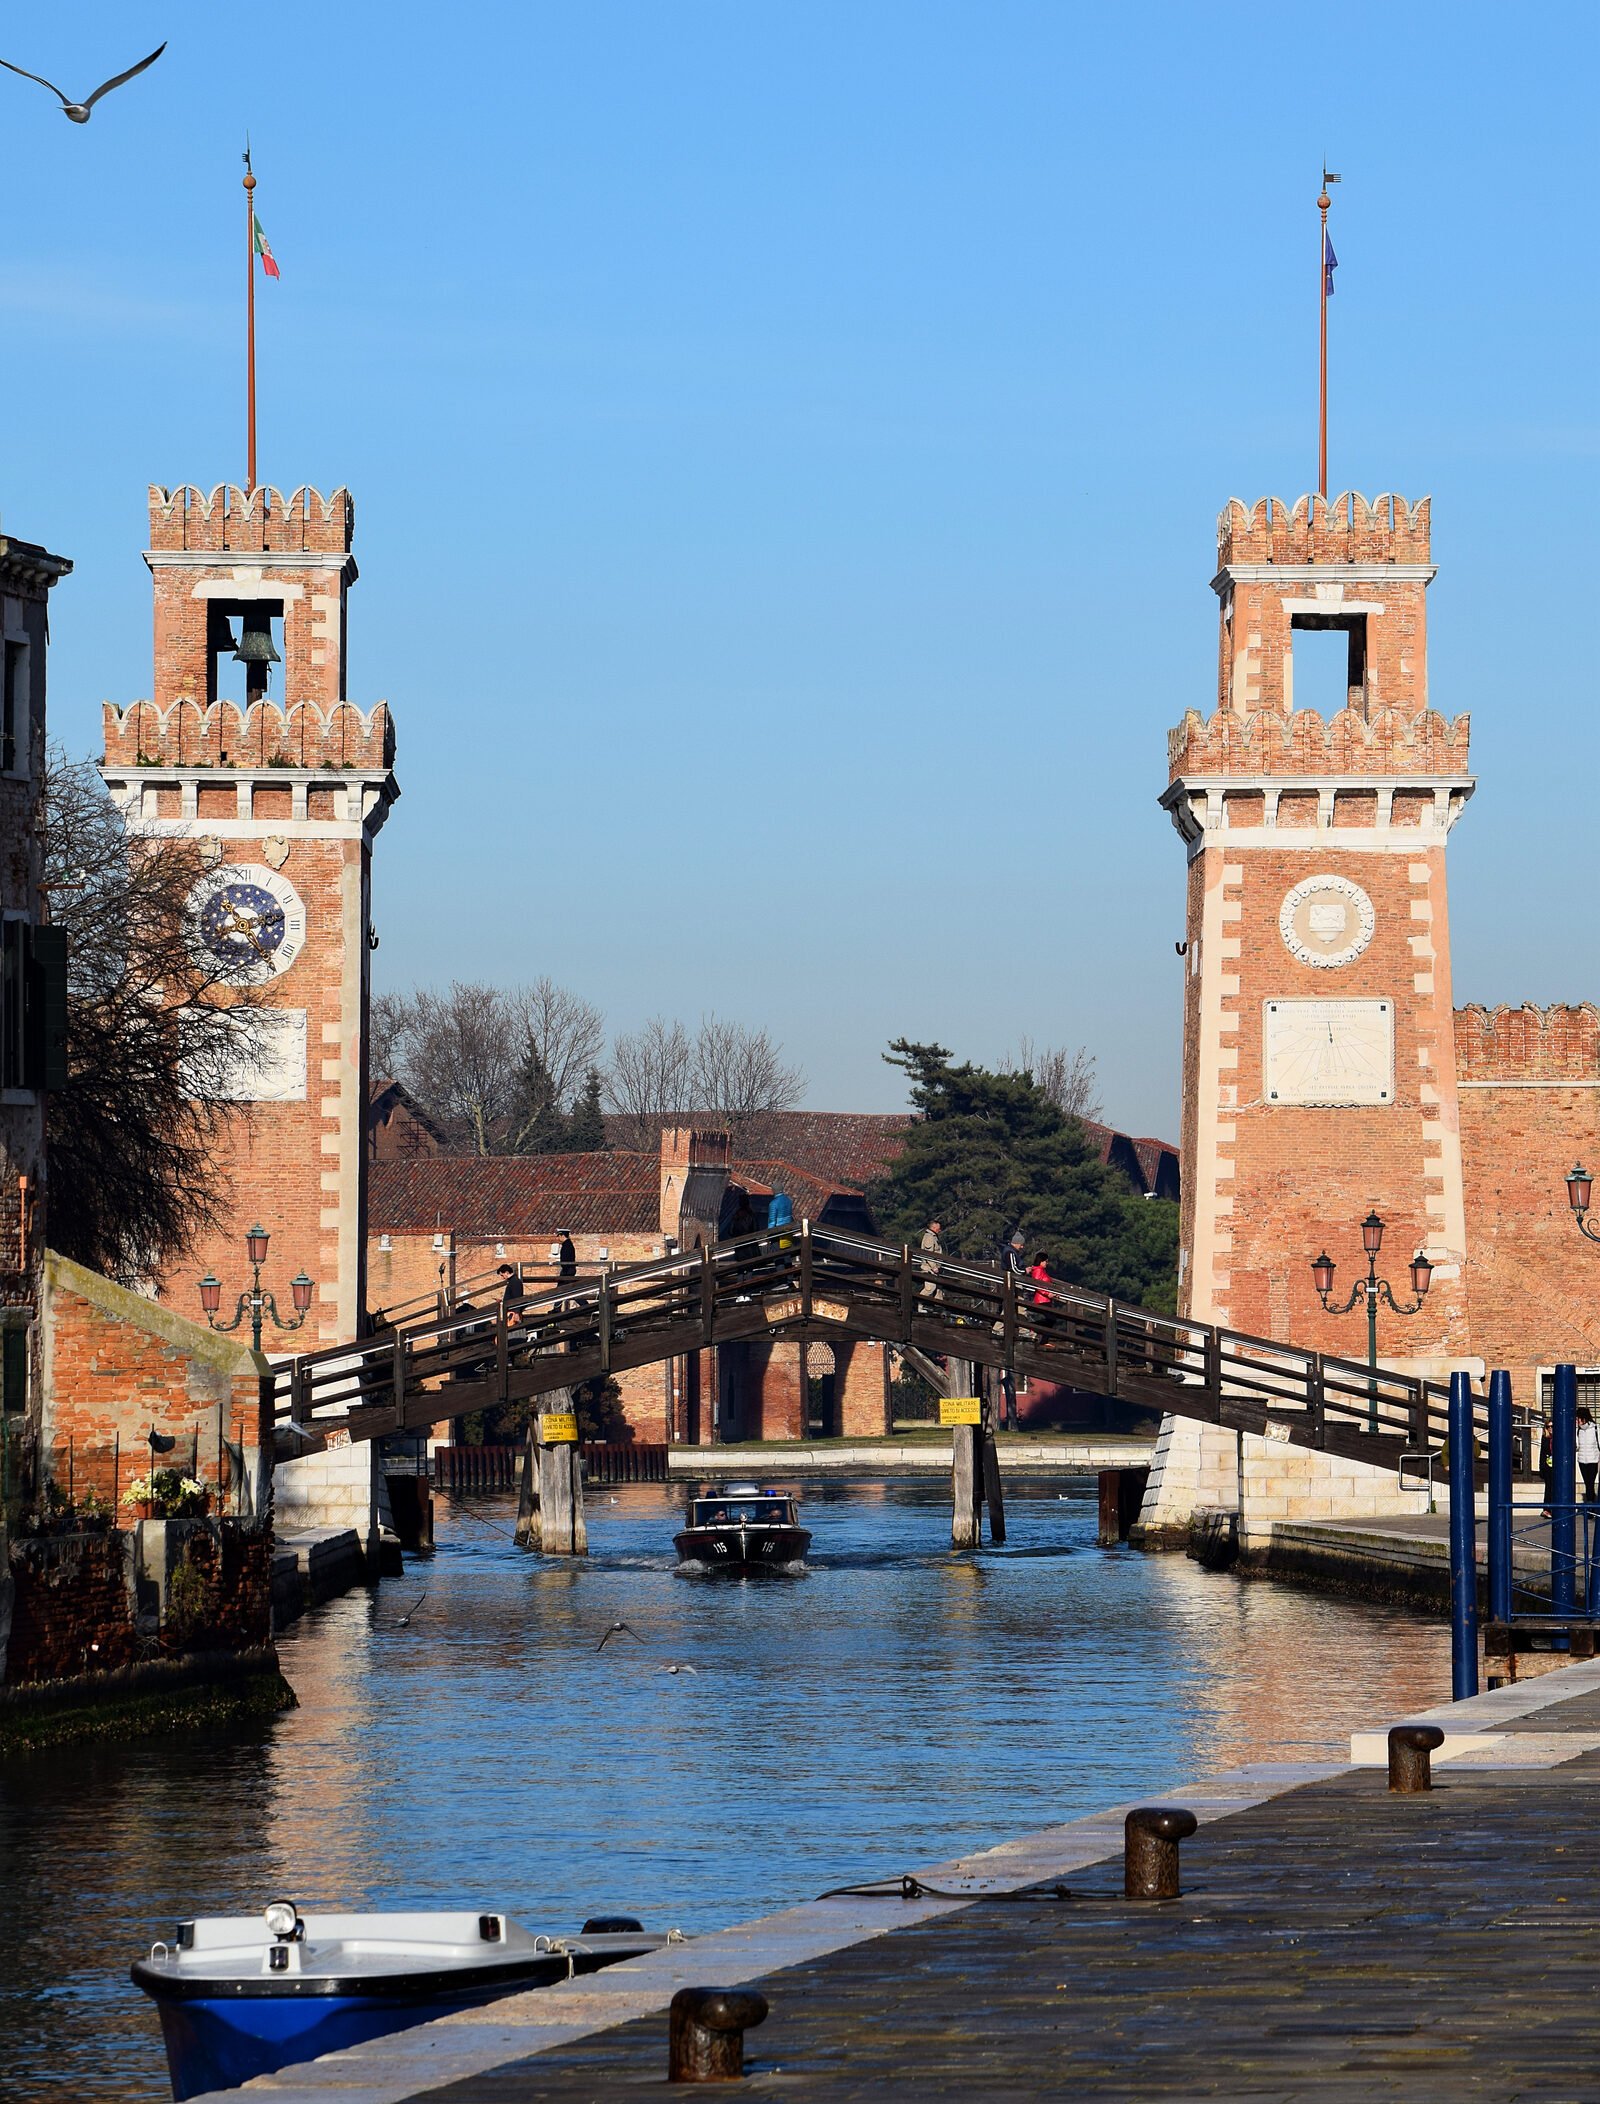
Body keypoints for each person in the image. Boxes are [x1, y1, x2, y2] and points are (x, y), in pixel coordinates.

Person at [1578, 1409, 1599, 1503]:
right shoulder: (1578, 1430)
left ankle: (1590, 1504)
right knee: (1587, 1483)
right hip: (1582, 1460)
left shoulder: (1596, 1429)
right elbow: (1576, 1446)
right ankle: (1591, 1502)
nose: (1577, 1420)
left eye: (1578, 1418)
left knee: (1590, 1483)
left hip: (1593, 1460)